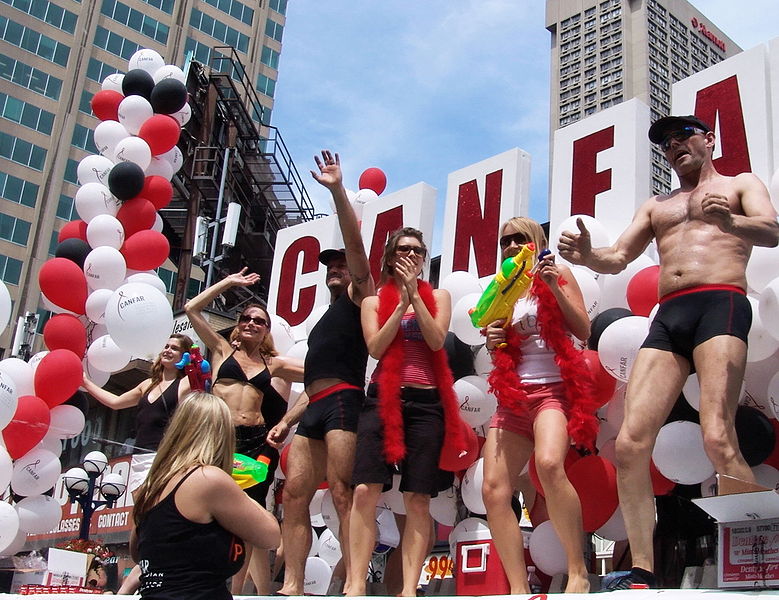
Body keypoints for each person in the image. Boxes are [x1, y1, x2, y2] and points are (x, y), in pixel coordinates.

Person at [558, 114, 779, 589]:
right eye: (666, 141)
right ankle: (642, 569)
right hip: (669, 313)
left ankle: (760, 559)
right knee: (632, 444)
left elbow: (772, 230)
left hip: (721, 301)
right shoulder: (658, 205)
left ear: (709, 140)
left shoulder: (741, 183)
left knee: (718, 436)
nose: (674, 144)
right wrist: (586, 256)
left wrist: (731, 220)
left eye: (684, 135)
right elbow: (616, 257)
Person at [267, 150, 375, 596]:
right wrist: (287, 420)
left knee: (343, 492)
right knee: (294, 496)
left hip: (347, 401)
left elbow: (355, 245)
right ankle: (291, 584)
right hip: (313, 408)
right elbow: (311, 383)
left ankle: (354, 583)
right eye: (329, 265)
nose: (335, 267)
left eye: (340, 263)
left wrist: (335, 192)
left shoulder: (359, 295)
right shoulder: (324, 320)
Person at [481, 217, 597, 594]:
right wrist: (494, 339)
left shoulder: (556, 271)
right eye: (504, 241)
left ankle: (577, 570)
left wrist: (552, 286)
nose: (511, 246)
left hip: (553, 391)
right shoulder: (501, 289)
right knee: (493, 490)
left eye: (519, 239)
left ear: (536, 242)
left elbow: (583, 330)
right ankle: (517, 587)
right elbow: (498, 348)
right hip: (513, 397)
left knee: (549, 464)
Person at [347, 227, 464, 597]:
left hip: (426, 402)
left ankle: (410, 588)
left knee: (417, 497)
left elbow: (435, 340)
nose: (410, 256)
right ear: (390, 257)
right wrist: (400, 304)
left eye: (417, 251)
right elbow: (376, 348)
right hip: (384, 396)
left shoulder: (440, 296)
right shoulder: (372, 302)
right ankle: (355, 584)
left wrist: (416, 295)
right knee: (365, 490)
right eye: (403, 250)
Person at [185, 280, 303, 594]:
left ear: (267, 331)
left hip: (256, 443)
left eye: (258, 321)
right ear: (238, 326)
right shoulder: (222, 350)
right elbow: (191, 309)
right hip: (218, 440)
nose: (251, 323)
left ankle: (240, 592)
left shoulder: (272, 363)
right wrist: (229, 282)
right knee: (206, 509)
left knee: (248, 516)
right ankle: (206, 580)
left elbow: (322, 375)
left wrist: (289, 421)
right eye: (246, 319)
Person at [131, 392, 280, 600]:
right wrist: (241, 488)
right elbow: (271, 535)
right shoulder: (208, 480)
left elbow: (138, 552)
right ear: (223, 436)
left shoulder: (150, 487)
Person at [81, 333, 194, 492]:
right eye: (166, 346)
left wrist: (193, 363)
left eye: (175, 349)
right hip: (139, 456)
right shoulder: (147, 385)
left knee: (156, 505)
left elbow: (201, 381)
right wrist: (86, 383)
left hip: (165, 456)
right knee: (140, 509)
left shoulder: (185, 383)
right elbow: (115, 403)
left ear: (185, 356)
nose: (168, 350)